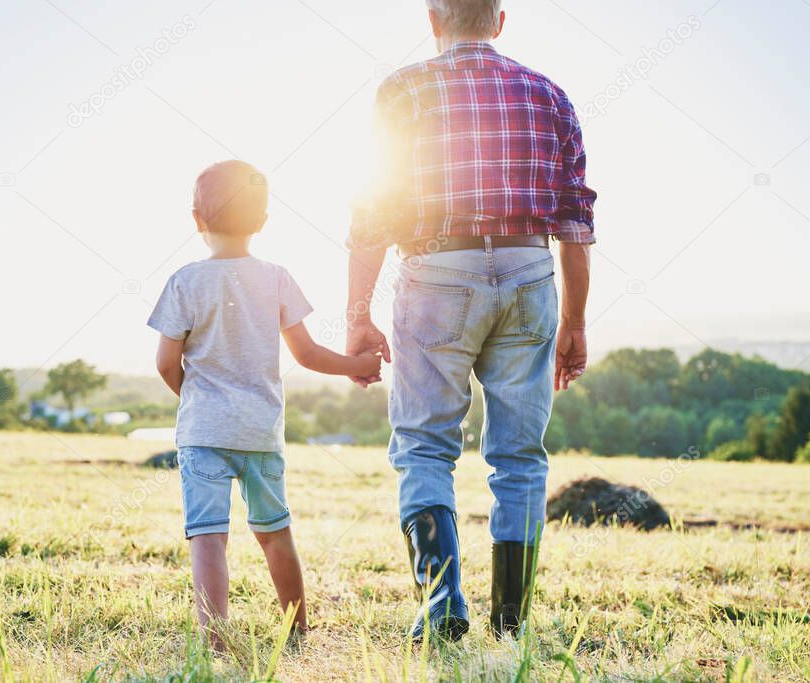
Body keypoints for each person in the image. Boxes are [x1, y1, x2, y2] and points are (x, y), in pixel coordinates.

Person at [346, 0, 597, 641]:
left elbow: (374, 210)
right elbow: (575, 221)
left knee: (426, 446)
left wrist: (357, 314)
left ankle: (441, 612)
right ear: (500, 20)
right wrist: (576, 321)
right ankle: (510, 622)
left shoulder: (402, 89)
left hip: (436, 270)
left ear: (433, 18)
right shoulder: (549, 94)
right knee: (520, 456)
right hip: (529, 267)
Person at [148, 160, 382, 648]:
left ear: (197, 219)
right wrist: (355, 365)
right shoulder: (276, 277)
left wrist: (194, 397)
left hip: (203, 433)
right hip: (259, 431)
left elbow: (167, 362)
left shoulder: (185, 282)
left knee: (209, 536)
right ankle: (297, 628)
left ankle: (215, 638)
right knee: (275, 532)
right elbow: (309, 353)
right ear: (264, 220)